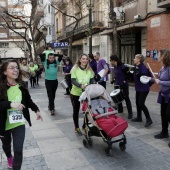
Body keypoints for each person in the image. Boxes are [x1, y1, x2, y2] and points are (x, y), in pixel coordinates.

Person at [0, 59, 43, 170]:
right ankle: (9, 157)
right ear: (5, 72)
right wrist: (10, 104)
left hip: (18, 123)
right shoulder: (1, 87)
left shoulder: (21, 85)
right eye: (12, 68)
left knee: (18, 149)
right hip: (3, 124)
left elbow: (28, 100)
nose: (16, 70)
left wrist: (36, 110)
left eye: (16, 67)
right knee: (6, 146)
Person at [148, 50, 170, 142]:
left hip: (169, 95)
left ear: (164, 57)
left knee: (169, 115)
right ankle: (164, 132)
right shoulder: (163, 68)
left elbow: (162, 81)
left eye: (159, 55)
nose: (157, 56)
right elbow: (159, 79)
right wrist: (151, 79)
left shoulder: (169, 68)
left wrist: (159, 82)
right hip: (163, 94)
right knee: (163, 114)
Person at [70, 54, 95, 135]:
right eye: (83, 59)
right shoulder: (75, 69)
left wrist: (93, 84)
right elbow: (73, 80)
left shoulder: (90, 70)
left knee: (87, 111)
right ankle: (76, 127)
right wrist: (80, 85)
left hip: (86, 94)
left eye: (86, 59)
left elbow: (92, 80)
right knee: (76, 111)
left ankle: (85, 125)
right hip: (76, 93)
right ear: (80, 60)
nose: (85, 60)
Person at [131, 54, 153, 127]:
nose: (134, 59)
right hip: (138, 88)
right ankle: (139, 117)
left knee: (141, 103)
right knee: (137, 102)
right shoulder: (137, 67)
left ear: (139, 60)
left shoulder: (142, 67)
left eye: (135, 58)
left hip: (144, 88)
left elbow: (143, 78)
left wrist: (138, 73)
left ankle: (149, 119)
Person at [110, 55, 133, 119]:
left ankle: (130, 113)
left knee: (126, 98)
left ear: (114, 60)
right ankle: (120, 109)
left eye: (111, 60)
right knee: (118, 98)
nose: (110, 61)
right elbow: (117, 75)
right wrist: (114, 80)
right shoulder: (115, 66)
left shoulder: (123, 66)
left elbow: (128, 75)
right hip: (117, 84)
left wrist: (125, 81)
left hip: (124, 85)